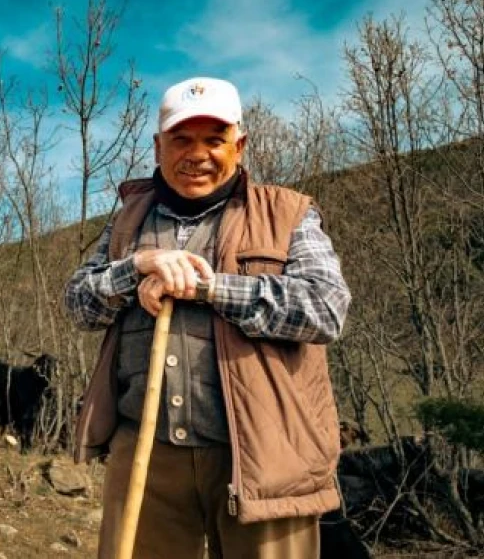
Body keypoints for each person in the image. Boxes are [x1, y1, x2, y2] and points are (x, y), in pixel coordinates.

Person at [64, 77, 351, 559]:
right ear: (159, 146)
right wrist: (133, 270)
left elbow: (325, 309)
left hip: (262, 456)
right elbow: (78, 303)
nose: (196, 154)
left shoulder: (287, 214)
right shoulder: (128, 221)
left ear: (238, 146)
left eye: (213, 140)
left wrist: (206, 288)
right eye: (181, 139)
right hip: (146, 455)